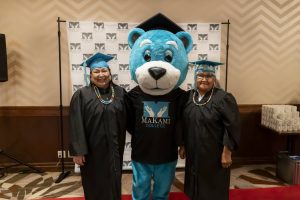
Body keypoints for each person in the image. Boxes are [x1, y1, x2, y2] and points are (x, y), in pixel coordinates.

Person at [69, 52, 127, 200]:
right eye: (96, 71)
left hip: (115, 148)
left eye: (104, 70)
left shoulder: (120, 93)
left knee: (114, 179)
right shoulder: (81, 95)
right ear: (90, 74)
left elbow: (130, 119)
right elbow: (76, 123)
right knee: (94, 182)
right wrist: (78, 151)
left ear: (109, 72)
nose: (101, 75)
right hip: (92, 151)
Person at [179, 60, 241, 200]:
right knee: (194, 183)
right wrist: (182, 145)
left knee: (213, 188)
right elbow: (183, 123)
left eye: (209, 76)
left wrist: (227, 152)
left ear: (214, 79)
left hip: (214, 154)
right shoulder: (189, 97)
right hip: (193, 152)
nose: (204, 79)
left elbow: (232, 126)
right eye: (200, 75)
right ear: (195, 77)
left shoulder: (223, 98)